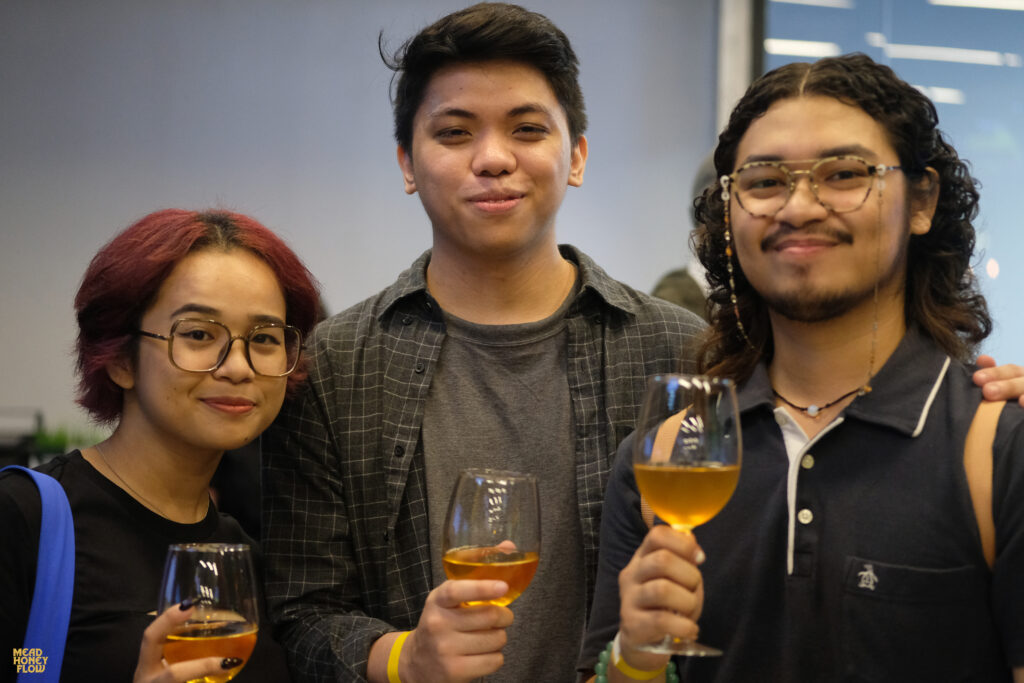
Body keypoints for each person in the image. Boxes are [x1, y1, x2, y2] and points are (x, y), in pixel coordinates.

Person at [259, 4, 707, 682]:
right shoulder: (334, 364)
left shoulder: (679, 350)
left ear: (576, 156)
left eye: (527, 129)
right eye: (454, 132)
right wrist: (406, 657)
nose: (494, 159)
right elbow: (301, 613)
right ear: (407, 163)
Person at [580, 53, 1024, 682]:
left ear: (921, 201)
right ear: (728, 214)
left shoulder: (998, 449)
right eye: (764, 182)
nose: (799, 207)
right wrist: (637, 658)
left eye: (844, 174)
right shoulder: (667, 460)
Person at [0, 209, 320, 682]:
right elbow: (22, 664)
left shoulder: (250, 560)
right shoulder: (25, 519)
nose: (238, 367)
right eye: (198, 334)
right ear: (120, 359)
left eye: (265, 338)